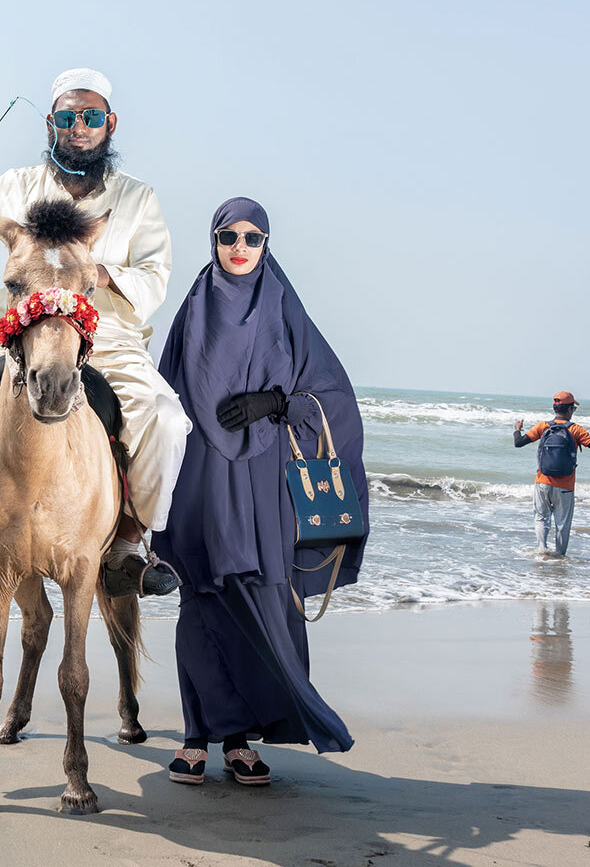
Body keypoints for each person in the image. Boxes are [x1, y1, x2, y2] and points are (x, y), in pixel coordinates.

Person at [0, 68, 191, 636]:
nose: (77, 127)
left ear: (109, 123)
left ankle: (129, 546)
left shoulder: (137, 198)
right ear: (50, 123)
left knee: (166, 420)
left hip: (103, 332)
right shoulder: (15, 185)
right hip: (13, 330)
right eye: (65, 117)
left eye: (89, 117)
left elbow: (155, 275)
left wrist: (98, 272)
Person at [152, 197, 369, 786]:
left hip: (265, 478)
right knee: (201, 599)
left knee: (259, 595)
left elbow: (334, 396)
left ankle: (241, 742)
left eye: (252, 237)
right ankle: (197, 739)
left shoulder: (283, 305)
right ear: (214, 241)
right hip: (200, 476)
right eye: (228, 236)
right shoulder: (194, 307)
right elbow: (163, 399)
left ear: (267, 244)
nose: (240, 247)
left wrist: (277, 404)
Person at [513, 392, 590, 557]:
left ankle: (542, 550)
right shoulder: (575, 429)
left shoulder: (543, 426)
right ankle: (560, 557)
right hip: (565, 487)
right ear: (570, 409)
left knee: (541, 518)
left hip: (542, 482)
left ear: (555, 408)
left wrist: (517, 430)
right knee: (562, 523)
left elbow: (518, 442)